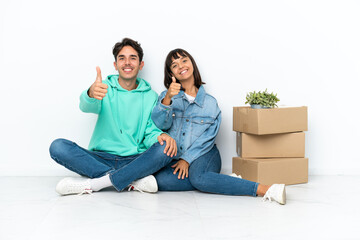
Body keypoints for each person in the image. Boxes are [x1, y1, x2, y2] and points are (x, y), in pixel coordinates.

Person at [151, 48, 286, 204]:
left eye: (184, 60)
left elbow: (207, 138)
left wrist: (187, 160)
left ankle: (265, 189)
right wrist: (168, 98)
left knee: (199, 178)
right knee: (157, 181)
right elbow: (159, 125)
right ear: (171, 74)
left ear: (192, 64)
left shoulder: (210, 103)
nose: (180, 66)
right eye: (174, 65)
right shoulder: (166, 97)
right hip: (176, 157)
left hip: (206, 153)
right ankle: (221, 181)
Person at [49, 38, 177, 196]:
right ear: (115, 65)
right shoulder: (103, 87)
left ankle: (98, 183)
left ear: (141, 64)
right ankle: (130, 180)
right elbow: (86, 106)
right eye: (122, 58)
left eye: (133, 58)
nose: (127, 63)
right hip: (100, 158)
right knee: (58, 146)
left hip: (135, 159)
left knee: (166, 147)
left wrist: (160, 136)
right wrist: (90, 93)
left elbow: (150, 131)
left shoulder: (151, 96)